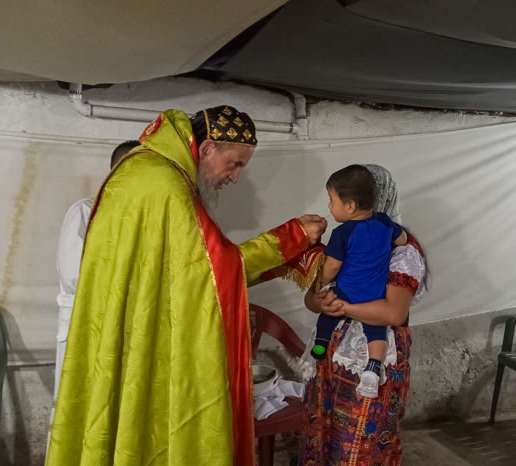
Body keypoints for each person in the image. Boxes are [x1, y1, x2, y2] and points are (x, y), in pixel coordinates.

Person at [47, 106, 327, 466]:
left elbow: (189, 273)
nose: (236, 178)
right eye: (234, 164)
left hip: (127, 329)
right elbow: (213, 270)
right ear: (207, 148)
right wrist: (291, 237)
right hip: (139, 333)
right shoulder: (167, 184)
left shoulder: (146, 170)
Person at [300, 164, 428, 465]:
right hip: (331, 360)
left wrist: (343, 308)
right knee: (325, 435)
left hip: (373, 362)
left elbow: (393, 313)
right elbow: (313, 296)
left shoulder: (403, 253)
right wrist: (320, 302)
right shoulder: (347, 239)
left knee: (362, 445)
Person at [50, 140, 139, 451]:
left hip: (122, 331)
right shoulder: (85, 211)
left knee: (114, 419)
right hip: (85, 329)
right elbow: (74, 274)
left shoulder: (142, 219)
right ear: (116, 171)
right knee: (80, 415)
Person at [313, 164, 408, 398]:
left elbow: (332, 266)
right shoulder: (384, 222)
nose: (329, 206)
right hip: (375, 297)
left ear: (350, 206)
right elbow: (403, 239)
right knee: (377, 332)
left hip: (347, 293)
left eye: (331, 200)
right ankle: (373, 369)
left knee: (327, 314)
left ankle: (320, 344)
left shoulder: (342, 233)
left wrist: (319, 282)